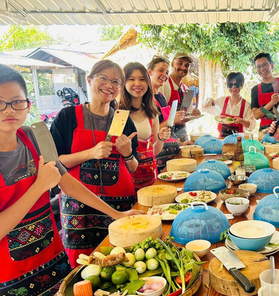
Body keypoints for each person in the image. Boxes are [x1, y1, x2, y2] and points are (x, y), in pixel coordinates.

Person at [0, 65, 141, 295]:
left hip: (53, 261)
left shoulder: (35, 135)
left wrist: (117, 215)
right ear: (90, 79)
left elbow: (67, 182)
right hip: (10, 279)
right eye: (0, 102)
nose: (9, 110)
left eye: (16, 101)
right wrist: (39, 187)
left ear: (27, 105)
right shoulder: (67, 117)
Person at [50, 59, 140, 266]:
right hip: (78, 204)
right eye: (104, 79)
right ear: (89, 80)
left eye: (116, 82)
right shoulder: (68, 116)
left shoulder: (121, 119)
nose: (109, 85)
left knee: (124, 259)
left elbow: (133, 167)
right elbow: (55, 163)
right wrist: (90, 153)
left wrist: (127, 154)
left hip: (120, 200)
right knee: (82, 263)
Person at [119, 62, 171, 190]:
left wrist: (161, 138)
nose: (137, 84)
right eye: (131, 79)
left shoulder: (152, 113)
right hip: (127, 179)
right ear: (123, 83)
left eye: (142, 79)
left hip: (150, 178)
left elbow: (154, 152)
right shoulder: (118, 114)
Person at [147, 56, 187, 171]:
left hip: (171, 152)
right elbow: (150, 132)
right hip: (159, 156)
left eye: (167, 72)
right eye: (161, 70)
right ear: (150, 72)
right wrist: (173, 120)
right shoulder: (146, 100)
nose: (164, 75)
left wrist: (179, 143)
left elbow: (168, 131)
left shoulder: (161, 97)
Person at [158, 52, 200, 142]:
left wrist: (194, 113)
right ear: (172, 64)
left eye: (186, 65)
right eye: (180, 63)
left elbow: (187, 113)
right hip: (166, 133)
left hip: (182, 134)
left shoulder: (186, 89)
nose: (183, 68)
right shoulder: (163, 85)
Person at [203, 72, 256, 137]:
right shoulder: (221, 100)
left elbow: (251, 125)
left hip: (238, 142)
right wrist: (208, 101)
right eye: (230, 85)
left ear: (241, 85)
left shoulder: (247, 105)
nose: (233, 87)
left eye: (236, 85)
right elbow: (204, 108)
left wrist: (241, 121)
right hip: (222, 140)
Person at [250, 52, 279, 132]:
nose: (262, 69)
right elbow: (256, 115)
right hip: (264, 131)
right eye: (259, 66)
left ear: (271, 65)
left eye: (265, 65)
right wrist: (271, 103)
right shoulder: (255, 89)